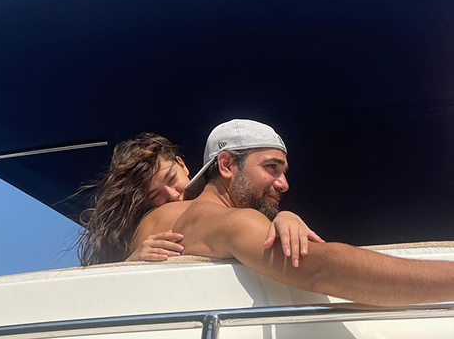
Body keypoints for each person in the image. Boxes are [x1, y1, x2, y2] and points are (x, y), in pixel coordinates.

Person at [138, 119, 454, 306]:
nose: (284, 184)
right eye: (271, 168)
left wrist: (280, 217)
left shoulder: (153, 221)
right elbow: (321, 270)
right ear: (227, 165)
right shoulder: (234, 223)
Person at [78, 132, 323, 266]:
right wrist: (130, 262)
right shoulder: (153, 233)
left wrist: (285, 217)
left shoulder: (231, 200)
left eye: (171, 178)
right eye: (156, 196)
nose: (173, 195)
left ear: (182, 164)